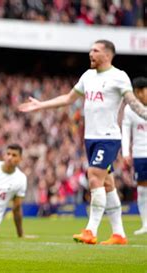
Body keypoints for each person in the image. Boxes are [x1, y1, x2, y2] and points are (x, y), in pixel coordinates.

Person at [18, 40, 147, 245]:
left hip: (108, 138)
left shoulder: (119, 76)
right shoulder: (88, 76)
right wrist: (41, 105)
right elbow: (68, 99)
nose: (90, 53)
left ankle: (90, 230)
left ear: (107, 55)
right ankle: (119, 234)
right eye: (90, 50)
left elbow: (133, 102)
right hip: (90, 138)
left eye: (95, 50)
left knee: (94, 176)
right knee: (107, 184)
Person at [122, 77, 147, 235]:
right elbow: (125, 131)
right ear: (138, 92)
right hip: (140, 154)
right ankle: (145, 224)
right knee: (143, 190)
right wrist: (125, 152)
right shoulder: (129, 109)